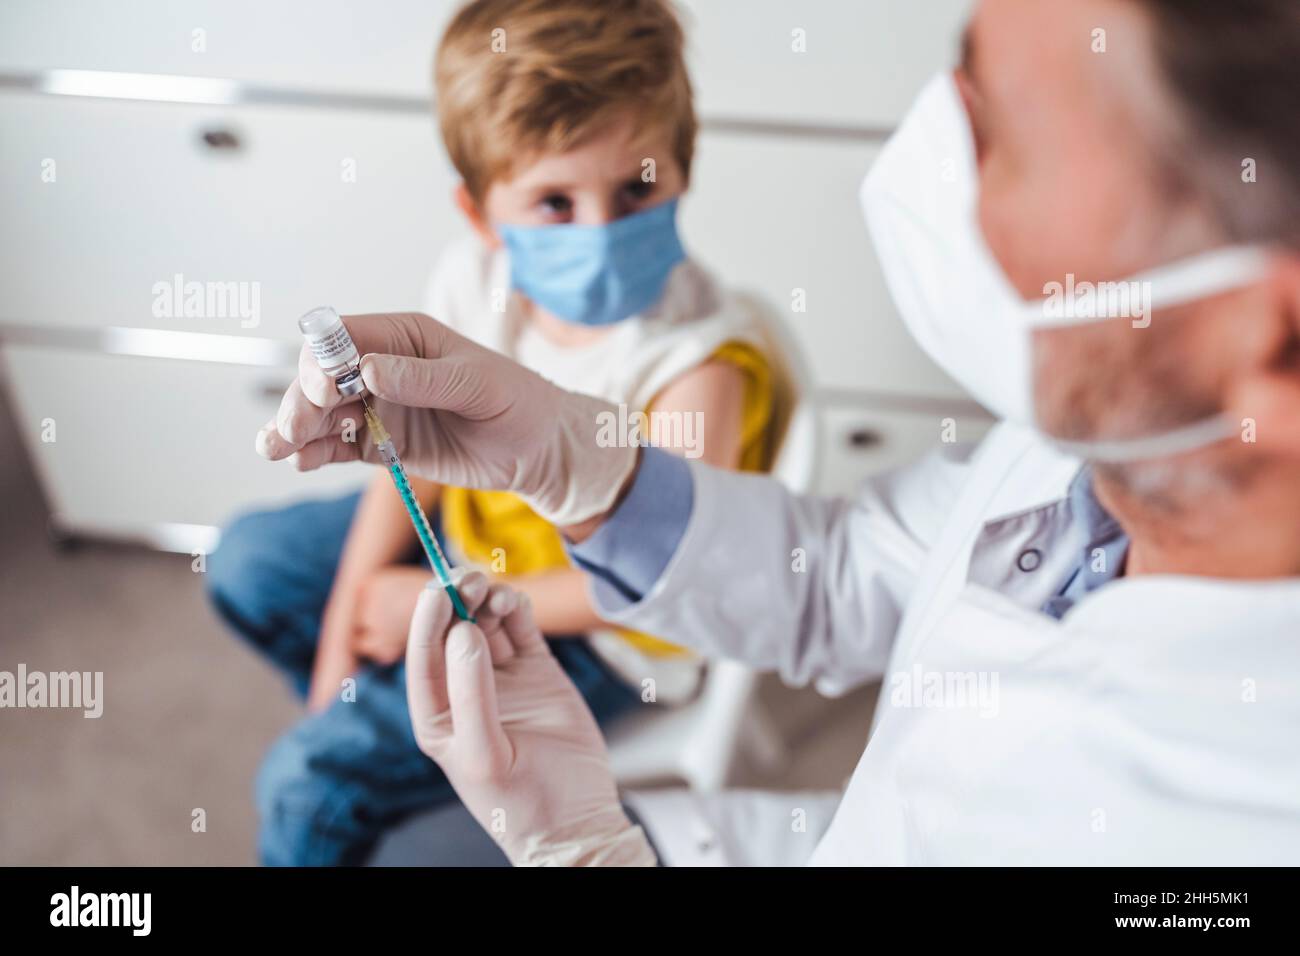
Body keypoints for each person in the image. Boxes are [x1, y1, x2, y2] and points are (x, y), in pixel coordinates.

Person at [259, 0, 1300, 865]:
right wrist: (586, 471)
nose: (928, 167)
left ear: (1269, 340)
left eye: (1010, 139)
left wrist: (585, 851)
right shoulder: (1095, 448)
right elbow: (845, 572)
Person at [209, 0, 781, 866]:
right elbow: (414, 459)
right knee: (248, 562)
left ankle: (382, 756)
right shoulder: (473, 280)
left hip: (600, 634)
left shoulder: (695, 361)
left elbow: (657, 583)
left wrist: (430, 604)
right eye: (554, 202)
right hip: (472, 537)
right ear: (479, 213)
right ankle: (404, 738)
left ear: (684, 167)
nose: (602, 231)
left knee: (303, 783)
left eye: (637, 187)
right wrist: (344, 636)